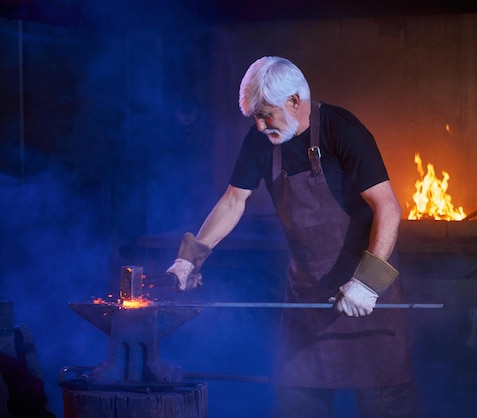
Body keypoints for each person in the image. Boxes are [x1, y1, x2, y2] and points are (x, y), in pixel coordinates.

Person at [167, 56, 419, 417]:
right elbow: (233, 201)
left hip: (368, 300)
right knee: (297, 405)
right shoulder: (261, 141)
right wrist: (188, 258)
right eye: (254, 116)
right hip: (308, 304)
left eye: (265, 114)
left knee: (388, 407)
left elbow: (388, 207)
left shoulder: (342, 130)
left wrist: (368, 283)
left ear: (295, 102)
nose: (258, 125)